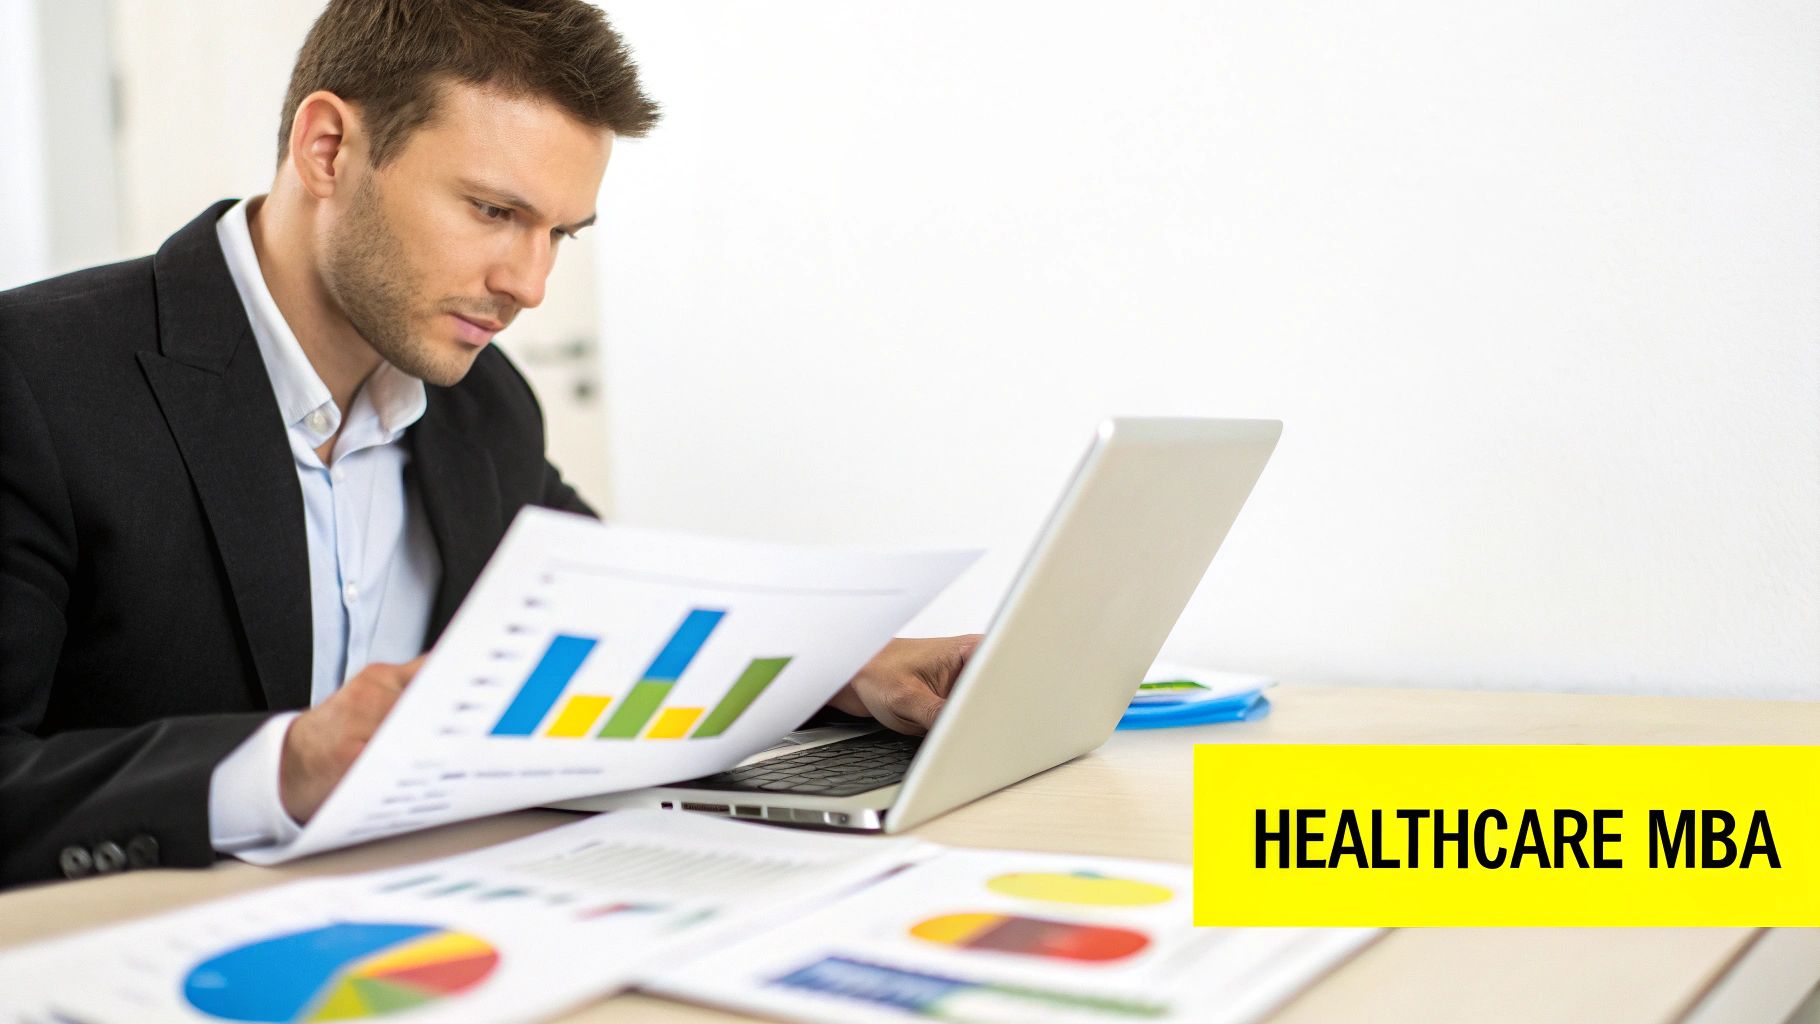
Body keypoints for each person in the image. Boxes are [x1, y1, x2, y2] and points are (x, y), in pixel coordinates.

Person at [0, 0, 977, 889]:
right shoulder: (31, 378)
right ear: (328, 148)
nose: (529, 283)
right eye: (494, 211)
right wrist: (287, 765)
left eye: (561, 233)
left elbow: (626, 618)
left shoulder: (483, 403)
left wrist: (850, 667)